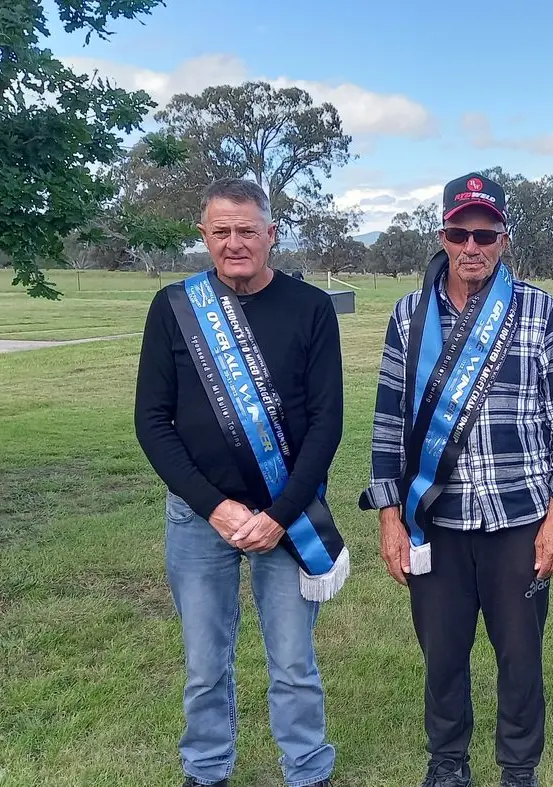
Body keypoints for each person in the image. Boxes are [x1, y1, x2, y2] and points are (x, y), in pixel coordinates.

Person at [359, 173, 553, 787]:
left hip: (519, 518)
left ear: (504, 240)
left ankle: (518, 768)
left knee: (520, 657)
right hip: (435, 519)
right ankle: (448, 763)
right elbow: (387, 423)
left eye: (485, 234)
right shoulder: (409, 316)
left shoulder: (539, 309)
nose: (472, 246)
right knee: (442, 656)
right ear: (443, 235)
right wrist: (389, 518)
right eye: (460, 232)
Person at [134, 177, 348, 787]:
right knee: (205, 664)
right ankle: (206, 771)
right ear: (204, 235)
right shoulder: (175, 306)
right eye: (220, 231)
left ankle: (307, 771)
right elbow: (152, 421)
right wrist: (214, 507)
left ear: (270, 235)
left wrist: (280, 513)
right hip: (199, 519)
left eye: (246, 230)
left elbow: (327, 423)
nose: (234, 243)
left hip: (289, 515)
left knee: (293, 662)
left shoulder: (310, 307)